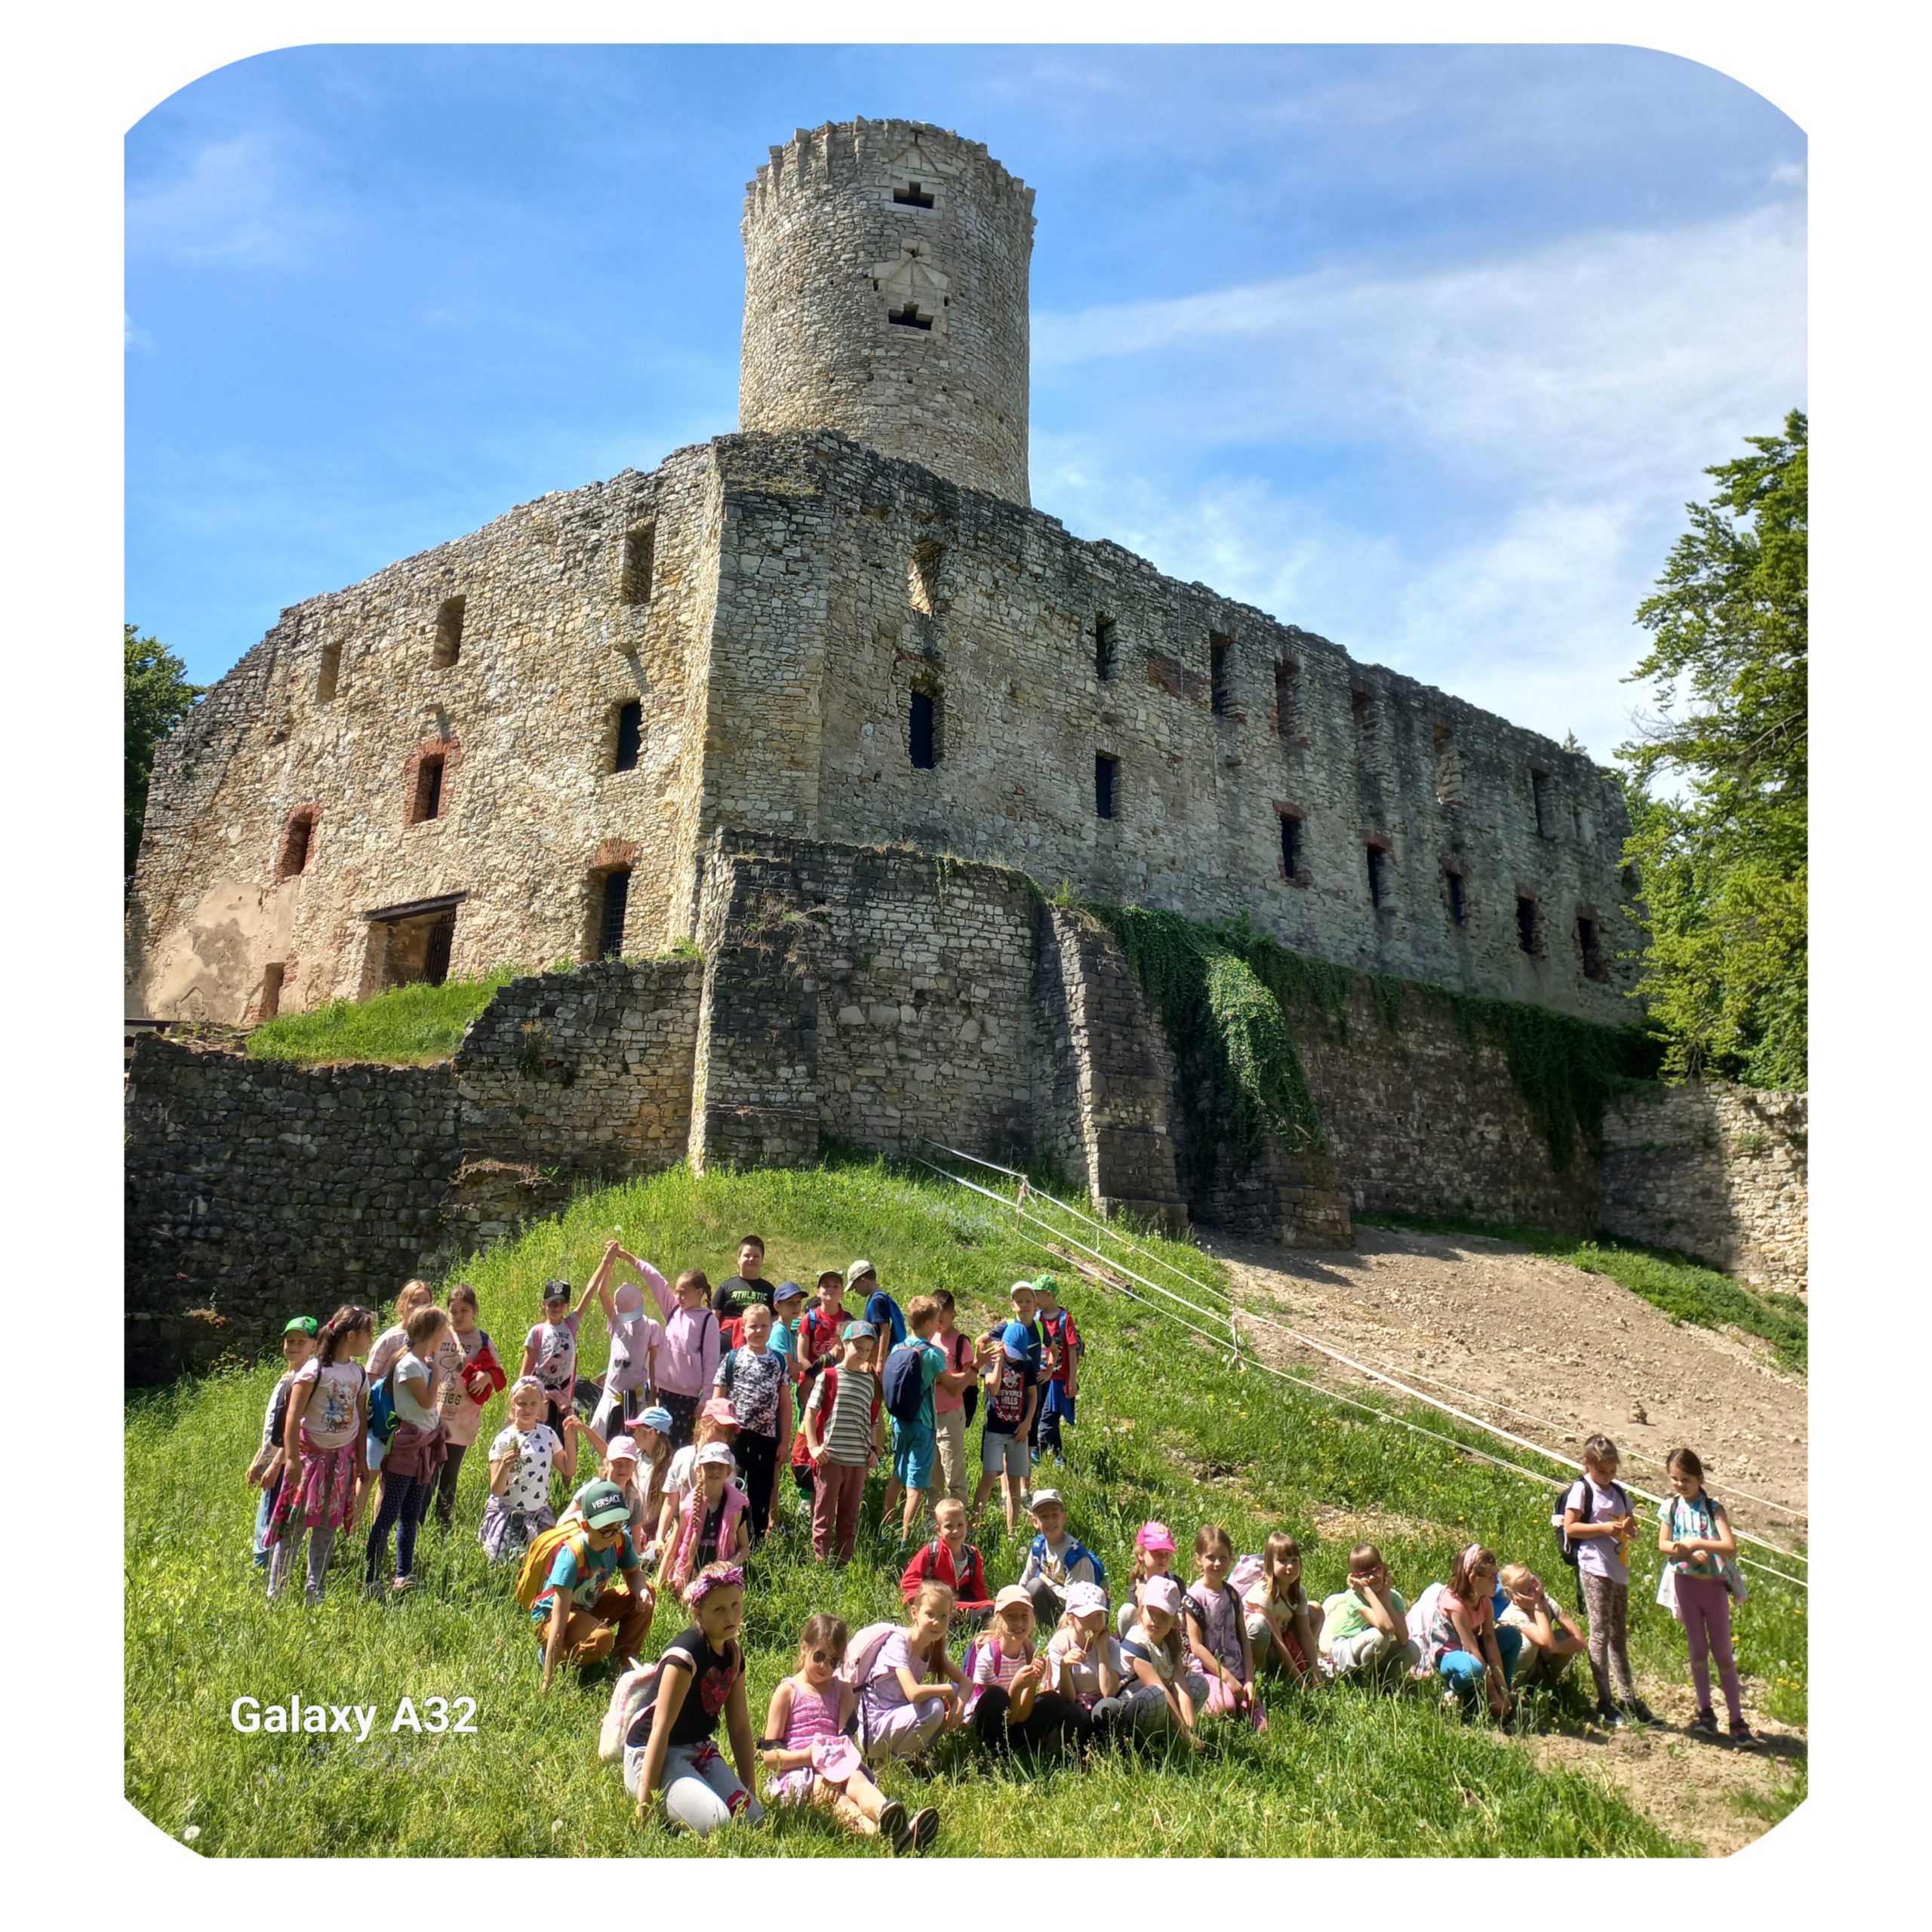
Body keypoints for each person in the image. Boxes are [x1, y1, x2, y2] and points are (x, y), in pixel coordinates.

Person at [761, 1615, 937, 1854]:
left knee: (857, 1780)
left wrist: (834, 1770)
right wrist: (810, 1758)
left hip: (838, 1765)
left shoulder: (843, 1691)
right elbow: (770, 1758)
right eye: (819, 1657)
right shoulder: (787, 1691)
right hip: (800, 1772)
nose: (825, 1667)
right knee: (836, 1799)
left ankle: (887, 1815)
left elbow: (845, 1742)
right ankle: (885, 1840)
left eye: (834, 1661)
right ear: (804, 1648)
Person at [266, 1304, 374, 1602]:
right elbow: (292, 1416)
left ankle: (316, 1592)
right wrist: (291, 1459)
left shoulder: (358, 1373)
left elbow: (360, 1418)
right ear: (352, 1336)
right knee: (294, 1527)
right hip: (309, 1463)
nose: (370, 1341)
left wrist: (361, 1460)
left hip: (341, 1463)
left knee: (327, 1526)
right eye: (368, 1334)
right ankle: (276, 1594)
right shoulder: (315, 1371)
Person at [1658, 1445, 1756, 1746]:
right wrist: (1685, 1551)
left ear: (1699, 1478)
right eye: (1675, 1479)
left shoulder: (1714, 1509)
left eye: (1685, 1479)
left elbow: (1729, 1546)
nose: (1680, 1484)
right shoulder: (1670, 1508)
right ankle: (1706, 1713)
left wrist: (1699, 1543)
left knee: (1723, 1653)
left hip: (1712, 1585)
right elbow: (1664, 1544)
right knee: (1697, 1650)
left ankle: (1737, 1719)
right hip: (1685, 1584)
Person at [1562, 1434, 1656, 1727]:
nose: (1607, 1476)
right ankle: (1605, 1700)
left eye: (1612, 1471)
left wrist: (1629, 1529)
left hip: (1618, 1568)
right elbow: (1571, 1527)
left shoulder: (1618, 1492)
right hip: (1594, 1566)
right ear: (1587, 1465)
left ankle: (1628, 1697)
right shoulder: (1581, 1490)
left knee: (1618, 1633)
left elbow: (1633, 1528)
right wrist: (1604, 1528)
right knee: (1600, 1631)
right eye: (1602, 1471)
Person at [532, 1479, 654, 1690]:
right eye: (606, 1529)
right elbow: (559, 1619)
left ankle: (622, 1664)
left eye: (618, 1525)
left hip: (587, 1608)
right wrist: (547, 1682)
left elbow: (633, 1573)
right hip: (553, 1617)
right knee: (601, 1639)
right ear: (586, 1526)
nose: (614, 1534)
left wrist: (641, 1590)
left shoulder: (619, 1540)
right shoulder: (571, 1556)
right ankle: (554, 1656)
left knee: (647, 1590)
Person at [365, 1302, 453, 1592]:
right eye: (443, 1329)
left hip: (423, 1447)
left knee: (411, 1515)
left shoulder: (420, 1363)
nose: (446, 1334)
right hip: (407, 1447)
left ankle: (404, 1574)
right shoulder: (409, 1365)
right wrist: (437, 1370)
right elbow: (426, 1402)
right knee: (388, 1514)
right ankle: (371, 1577)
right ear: (433, 1331)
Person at [857, 1580, 965, 1766]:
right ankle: (894, 1765)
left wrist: (960, 1705)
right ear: (915, 1613)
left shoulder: (933, 1646)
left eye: (943, 1616)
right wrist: (948, 1690)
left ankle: (913, 1756)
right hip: (875, 1731)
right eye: (930, 1615)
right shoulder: (899, 1642)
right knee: (935, 1706)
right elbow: (913, 1693)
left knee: (954, 1694)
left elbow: (966, 1683)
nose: (937, 1623)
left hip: (897, 1722)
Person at [968, 1585, 1082, 1758]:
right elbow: (1005, 1714)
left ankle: (1025, 1745)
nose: (1019, 1624)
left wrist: (1033, 1681)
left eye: (1024, 1616)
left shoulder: (1030, 1653)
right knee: (996, 1696)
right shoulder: (988, 1656)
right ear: (999, 1619)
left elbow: (1021, 1717)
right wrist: (1016, 1687)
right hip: (993, 1720)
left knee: (1053, 1700)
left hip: (1017, 1716)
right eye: (1011, 1617)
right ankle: (994, 1751)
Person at [804, 1321, 884, 1564]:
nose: (863, 1353)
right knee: (824, 1514)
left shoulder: (868, 1381)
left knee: (850, 1516)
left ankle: (844, 1562)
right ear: (845, 1344)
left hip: (858, 1461)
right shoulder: (828, 1376)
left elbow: (873, 1421)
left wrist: (874, 1450)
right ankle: (822, 1562)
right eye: (858, 1347)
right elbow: (810, 1413)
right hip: (831, 1458)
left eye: (868, 1349)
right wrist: (813, 1447)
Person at [714, 1301, 794, 1540]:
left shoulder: (778, 1361)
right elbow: (718, 1401)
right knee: (730, 1487)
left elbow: (785, 1404)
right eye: (753, 1326)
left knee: (762, 1490)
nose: (758, 1331)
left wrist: (784, 1442)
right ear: (744, 1329)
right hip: (735, 1437)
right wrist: (716, 1437)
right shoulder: (733, 1358)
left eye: (763, 1326)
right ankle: (726, 1537)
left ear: (771, 1327)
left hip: (766, 1439)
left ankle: (756, 1539)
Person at [427, 1282, 504, 1530]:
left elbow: (498, 1373)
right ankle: (419, 1518)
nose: (458, 1316)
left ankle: (443, 1523)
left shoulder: (482, 1340)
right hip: (433, 1415)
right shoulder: (439, 1334)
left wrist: (487, 1377)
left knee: (450, 1470)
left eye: (464, 1311)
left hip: (463, 1418)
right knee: (429, 1469)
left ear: (475, 1310)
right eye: (454, 1311)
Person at [884, 1295, 962, 1538]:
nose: (939, 1325)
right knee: (915, 1485)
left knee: (897, 1476)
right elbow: (952, 1388)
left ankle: (885, 1530)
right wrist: (974, 1368)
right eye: (937, 1321)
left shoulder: (898, 1348)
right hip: (923, 1423)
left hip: (899, 1422)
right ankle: (905, 1538)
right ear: (928, 1323)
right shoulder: (933, 1354)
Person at [480, 1377, 579, 1563]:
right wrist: (505, 1467)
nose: (527, 1409)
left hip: (538, 1513)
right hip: (510, 1513)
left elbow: (569, 1469)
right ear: (513, 1406)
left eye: (533, 1404)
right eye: (522, 1404)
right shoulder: (504, 1439)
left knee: (548, 1559)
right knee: (511, 1560)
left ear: (541, 1405)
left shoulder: (548, 1435)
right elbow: (497, 1490)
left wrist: (569, 1437)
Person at [247, 1315, 317, 1567]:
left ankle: (264, 1567)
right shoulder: (287, 1377)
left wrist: (276, 1465)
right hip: (273, 1458)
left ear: (314, 1345)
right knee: (266, 1510)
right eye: (290, 1341)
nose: (294, 1346)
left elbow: (296, 1426)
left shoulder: (305, 1380)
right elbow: (275, 1427)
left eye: (301, 1341)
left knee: (273, 1516)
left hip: (286, 1462)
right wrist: (259, 1458)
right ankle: (264, 1564)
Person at [1184, 1525, 1264, 1727]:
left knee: (1261, 1725)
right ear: (1199, 1559)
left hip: (1236, 1668)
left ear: (1231, 1558)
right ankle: (1206, 1700)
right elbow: (1196, 1646)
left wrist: (1249, 1680)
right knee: (1225, 1708)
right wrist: (1227, 1678)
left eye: (1223, 1558)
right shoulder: (1194, 1597)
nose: (1218, 1563)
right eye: (1211, 1558)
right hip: (1207, 1672)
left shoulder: (1233, 1595)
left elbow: (1243, 1640)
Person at [1426, 1544, 1515, 1722]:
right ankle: (1453, 1689)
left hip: (1470, 1651)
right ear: (1473, 1579)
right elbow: (1472, 1647)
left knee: (1512, 1636)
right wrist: (1491, 1690)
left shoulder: (1485, 1603)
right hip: (1449, 1654)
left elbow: (1490, 1642)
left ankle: (1505, 1695)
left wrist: (1502, 1689)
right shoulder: (1455, 1604)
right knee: (1474, 1668)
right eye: (1491, 1577)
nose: (1497, 1583)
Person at [641, 1262, 723, 1449]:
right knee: (659, 1445)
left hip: (687, 1399)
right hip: (664, 1393)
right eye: (677, 1292)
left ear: (699, 1292)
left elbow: (711, 1363)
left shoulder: (708, 1320)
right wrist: (631, 1259)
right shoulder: (673, 1309)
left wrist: (706, 1398)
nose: (678, 1297)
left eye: (684, 1293)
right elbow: (657, 1282)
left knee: (679, 1446)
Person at [1118, 1576, 1207, 1747]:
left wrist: (1190, 1728)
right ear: (1141, 1611)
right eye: (1151, 1611)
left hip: (1160, 1706)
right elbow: (1160, 1688)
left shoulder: (1170, 1642)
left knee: (1198, 1683)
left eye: (1164, 1615)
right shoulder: (1136, 1641)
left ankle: (1171, 1735)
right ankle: (1146, 1745)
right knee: (1156, 1694)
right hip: (1131, 1710)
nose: (1156, 1619)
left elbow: (1181, 1685)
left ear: (1174, 1622)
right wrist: (1185, 1736)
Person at [589, 1241, 666, 1439]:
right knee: (603, 1437)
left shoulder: (651, 1327)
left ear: (642, 1303)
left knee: (635, 1441)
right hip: (612, 1394)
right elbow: (602, 1292)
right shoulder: (616, 1320)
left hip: (637, 1396)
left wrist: (652, 1397)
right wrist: (609, 1262)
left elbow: (655, 1363)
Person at [971, 1319, 1038, 1533]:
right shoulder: (991, 1359)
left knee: (1014, 1481)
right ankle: (974, 1525)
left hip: (1018, 1431)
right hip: (995, 1429)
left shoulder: (1026, 1363)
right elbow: (993, 1388)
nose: (1015, 1358)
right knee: (990, 1476)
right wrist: (999, 1361)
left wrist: (1028, 1423)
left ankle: (1012, 1531)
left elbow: (1033, 1395)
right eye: (1011, 1352)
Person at [1318, 1543, 1420, 1684]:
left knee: (1412, 1650)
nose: (1371, 1577)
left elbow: (1403, 1638)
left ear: (1384, 1568)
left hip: (1372, 1651)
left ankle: (1382, 1684)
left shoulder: (1394, 1597)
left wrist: (1384, 1598)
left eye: (1375, 1570)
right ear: (1355, 1578)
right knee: (1379, 1637)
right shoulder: (1355, 1596)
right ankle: (1361, 1682)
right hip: (1346, 1650)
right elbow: (1387, 1627)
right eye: (1364, 1575)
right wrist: (1367, 1590)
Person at [1044, 1580, 1128, 1749]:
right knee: (1074, 1715)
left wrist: (1102, 1649)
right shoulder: (1060, 1643)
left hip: (1100, 1703)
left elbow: (1109, 1692)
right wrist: (1064, 1667)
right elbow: (1068, 1698)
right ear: (1071, 1619)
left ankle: (1108, 1748)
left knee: (1112, 1708)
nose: (1095, 1623)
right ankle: (1075, 1752)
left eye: (1099, 1616)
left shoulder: (1110, 1645)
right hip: (1074, 1705)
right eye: (1087, 1617)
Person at [664, 1443, 754, 1595]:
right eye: (710, 1466)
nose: (715, 1471)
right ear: (699, 1471)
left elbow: (745, 1548)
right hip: (691, 1575)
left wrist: (728, 1565)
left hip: (722, 1574)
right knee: (692, 1597)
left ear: (728, 1472)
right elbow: (672, 1549)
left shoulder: (737, 1507)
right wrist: (660, 1585)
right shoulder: (686, 1507)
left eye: (720, 1467)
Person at [655, 1397, 743, 1547]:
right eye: (719, 1430)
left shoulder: (728, 1461)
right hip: (681, 1531)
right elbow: (670, 1502)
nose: (722, 1439)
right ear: (703, 1424)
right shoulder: (682, 1456)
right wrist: (659, 1538)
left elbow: (728, 1507)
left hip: (713, 1536)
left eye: (727, 1434)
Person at [521, 1274, 599, 1436]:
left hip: (563, 1394)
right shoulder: (537, 1332)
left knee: (561, 1439)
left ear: (567, 1305)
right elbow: (525, 1371)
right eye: (552, 1304)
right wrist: (519, 1397)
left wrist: (606, 1264)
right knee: (538, 1437)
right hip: (541, 1395)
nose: (557, 1308)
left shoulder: (571, 1325)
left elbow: (590, 1291)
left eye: (561, 1304)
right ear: (544, 1304)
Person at [1017, 1490, 1106, 1627]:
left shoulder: (1075, 1555)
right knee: (1033, 1585)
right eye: (1044, 1517)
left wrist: (1046, 1581)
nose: (1050, 1521)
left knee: (1036, 1585)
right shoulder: (1038, 1545)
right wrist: (1014, 1602)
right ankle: (1043, 1627)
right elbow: (1025, 1580)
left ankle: (1057, 1630)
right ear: (1035, 1522)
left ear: (1064, 1518)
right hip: (1057, 1604)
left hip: (1080, 1614)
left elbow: (1075, 1600)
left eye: (1055, 1515)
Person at [900, 1497, 994, 1626]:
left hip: (962, 1605)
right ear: (939, 1530)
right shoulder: (932, 1552)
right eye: (949, 1526)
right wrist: (929, 1596)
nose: (956, 1531)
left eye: (960, 1525)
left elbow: (979, 1591)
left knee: (991, 1610)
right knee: (932, 1610)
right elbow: (908, 1581)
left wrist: (984, 1606)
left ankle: (961, 1622)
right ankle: (946, 1623)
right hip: (935, 1603)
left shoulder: (972, 1555)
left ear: (967, 1525)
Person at [1243, 1532, 1320, 1684]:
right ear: (1269, 1565)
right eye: (1282, 1561)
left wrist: (1315, 1673)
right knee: (1259, 1624)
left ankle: (1301, 1666)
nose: (1290, 1566)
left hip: (1281, 1644)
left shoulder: (1298, 1593)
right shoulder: (1263, 1593)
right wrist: (1298, 1679)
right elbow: (1277, 1640)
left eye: (1294, 1560)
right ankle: (1262, 1676)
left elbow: (1305, 1634)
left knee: (1316, 1611)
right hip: (1258, 1649)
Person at [1497, 1564, 1586, 1694]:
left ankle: (1548, 1682)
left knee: (1564, 1637)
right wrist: (1537, 1607)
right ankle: (1514, 1688)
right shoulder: (1514, 1613)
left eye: (1534, 1582)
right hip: (1511, 1665)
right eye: (1528, 1591)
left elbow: (1580, 1642)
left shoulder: (1545, 1600)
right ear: (1514, 1597)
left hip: (1538, 1660)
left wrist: (1556, 1647)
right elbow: (1548, 1644)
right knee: (1529, 1645)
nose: (1535, 1591)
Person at [929, 1290, 976, 1507]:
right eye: (934, 1320)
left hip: (951, 1413)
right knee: (932, 1473)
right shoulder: (930, 1337)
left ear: (953, 1316)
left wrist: (943, 1378)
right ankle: (933, 1516)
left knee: (953, 1472)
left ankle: (959, 1516)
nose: (937, 1325)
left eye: (941, 1320)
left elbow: (972, 1379)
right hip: (930, 1413)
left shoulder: (960, 1342)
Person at [1029, 1274, 1081, 1463]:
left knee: (1048, 1416)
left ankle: (1036, 1452)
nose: (1034, 1299)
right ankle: (1059, 1456)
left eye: (1037, 1295)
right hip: (1041, 1376)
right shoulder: (1037, 1318)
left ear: (1049, 1294)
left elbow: (1072, 1351)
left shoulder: (1064, 1319)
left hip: (1059, 1379)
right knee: (1046, 1414)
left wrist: (1072, 1380)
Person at [1118, 1520, 1180, 1638]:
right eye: (1157, 1552)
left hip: (1170, 1637)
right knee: (1127, 1611)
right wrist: (1142, 1600)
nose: (1163, 1558)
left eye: (1167, 1553)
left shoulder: (1175, 1583)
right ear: (1141, 1555)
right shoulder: (1136, 1588)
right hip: (1144, 1637)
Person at [368, 1280, 435, 1385]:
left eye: (425, 1302)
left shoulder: (432, 1339)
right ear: (402, 1305)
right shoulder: (390, 1338)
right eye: (415, 1301)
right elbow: (371, 1374)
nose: (420, 1307)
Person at [713, 1235, 771, 1343]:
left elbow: (775, 1321)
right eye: (747, 1255)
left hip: (759, 1344)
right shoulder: (725, 1287)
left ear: (762, 1260)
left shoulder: (770, 1290)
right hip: (725, 1346)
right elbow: (714, 1320)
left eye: (756, 1256)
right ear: (738, 1259)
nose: (751, 1259)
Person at [849, 1260, 905, 1349]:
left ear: (863, 1281)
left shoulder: (876, 1301)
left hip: (882, 1353)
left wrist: (880, 1358)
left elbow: (885, 1331)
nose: (856, 1291)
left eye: (855, 1287)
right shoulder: (879, 1297)